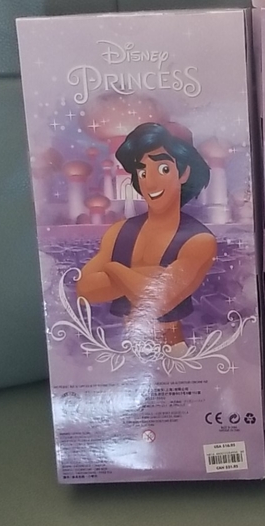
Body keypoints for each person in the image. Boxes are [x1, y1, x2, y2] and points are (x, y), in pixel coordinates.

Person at [77, 123, 216, 356]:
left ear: (184, 173)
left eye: (163, 169)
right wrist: (145, 276)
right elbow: (85, 290)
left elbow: (159, 301)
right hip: (127, 354)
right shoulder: (119, 231)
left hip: (173, 352)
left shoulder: (199, 240)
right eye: (142, 172)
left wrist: (112, 269)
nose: (150, 183)